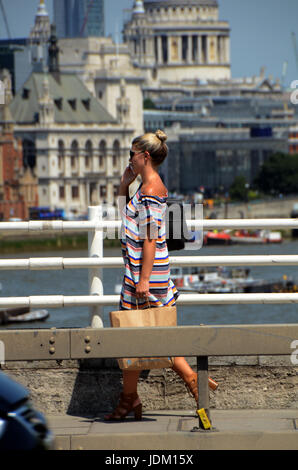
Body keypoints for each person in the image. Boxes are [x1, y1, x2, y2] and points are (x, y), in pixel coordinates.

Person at [104, 130, 217, 421]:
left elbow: (152, 238)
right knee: (139, 336)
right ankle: (141, 396)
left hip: (145, 274)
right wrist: (123, 185)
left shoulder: (153, 189)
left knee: (140, 337)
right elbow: (122, 218)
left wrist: (142, 280)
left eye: (131, 154)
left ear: (144, 156)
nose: (128, 159)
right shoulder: (142, 187)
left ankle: (189, 384)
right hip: (137, 271)